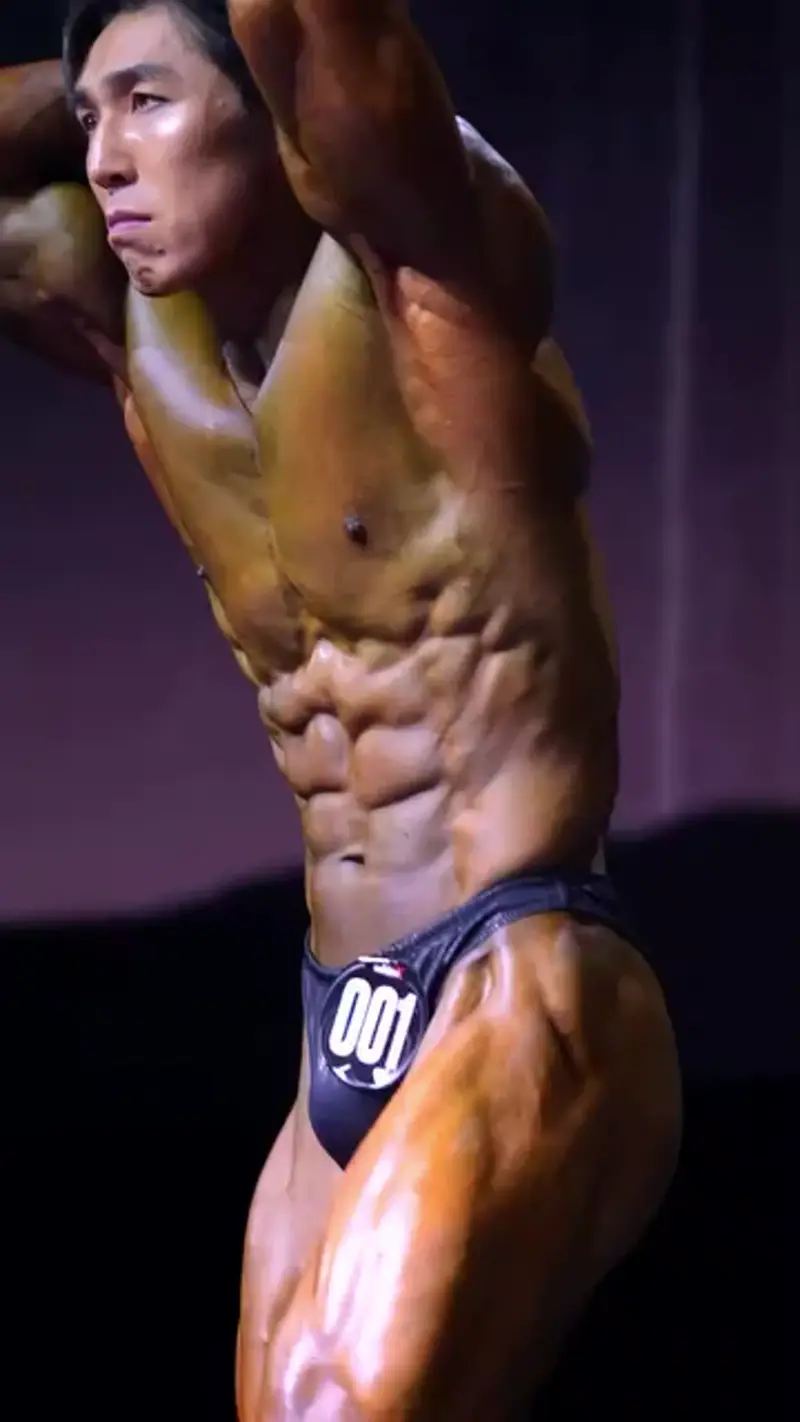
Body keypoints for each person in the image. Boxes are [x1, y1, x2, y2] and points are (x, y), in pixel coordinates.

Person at [0, 2, 682, 1417]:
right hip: (341, 1013)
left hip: (521, 970)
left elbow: (316, 35)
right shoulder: (143, 343)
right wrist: (101, 80)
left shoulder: (430, 280)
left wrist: (209, 47)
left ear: (276, 114)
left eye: (149, 105)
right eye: (87, 124)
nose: (105, 159)